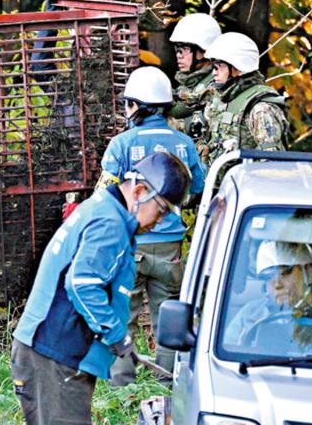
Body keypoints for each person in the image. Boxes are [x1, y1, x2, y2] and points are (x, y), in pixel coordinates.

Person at [11, 152, 191, 424]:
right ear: (140, 191)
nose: (161, 221)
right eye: (162, 210)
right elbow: (83, 285)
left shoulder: (105, 208)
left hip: (50, 351)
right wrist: (117, 335)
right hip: (53, 355)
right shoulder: (110, 223)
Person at [95, 66, 205, 386]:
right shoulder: (184, 143)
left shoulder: (121, 144)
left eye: (129, 103)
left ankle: (121, 384)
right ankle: (168, 382)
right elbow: (197, 188)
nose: (126, 110)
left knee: (123, 314)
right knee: (167, 317)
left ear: (139, 106)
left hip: (132, 244)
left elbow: (105, 194)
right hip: (170, 246)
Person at [224, 241, 312, 351]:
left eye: (284, 272)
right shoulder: (250, 313)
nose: (276, 284)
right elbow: (228, 355)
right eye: (267, 277)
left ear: (308, 272)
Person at [200, 32, 288, 165]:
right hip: (217, 183)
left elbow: (271, 162)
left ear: (239, 68)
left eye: (219, 66)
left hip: (245, 184)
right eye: (213, 67)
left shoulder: (261, 109)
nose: (214, 72)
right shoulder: (218, 100)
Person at [167, 13, 221, 137]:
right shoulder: (193, 80)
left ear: (204, 50)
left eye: (185, 48)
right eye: (177, 49)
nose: (179, 55)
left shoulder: (215, 83)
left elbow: (179, 113)